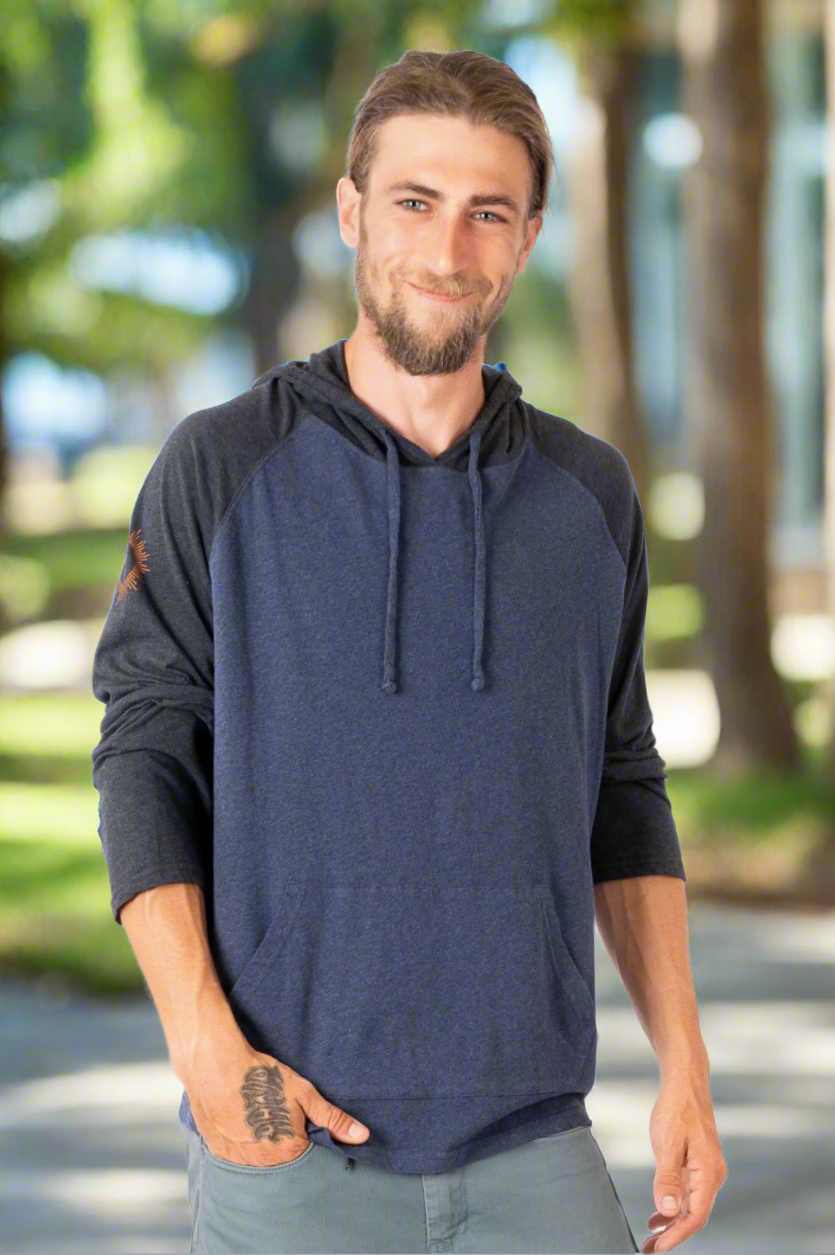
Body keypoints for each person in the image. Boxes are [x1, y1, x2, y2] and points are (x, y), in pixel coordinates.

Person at [91, 47, 727, 1255]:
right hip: (293, 1136)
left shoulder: (587, 495)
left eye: (489, 212)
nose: (447, 252)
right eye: (414, 204)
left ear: (531, 234)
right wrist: (205, 1050)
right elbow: (144, 753)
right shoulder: (220, 469)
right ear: (350, 212)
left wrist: (686, 1065)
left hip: (538, 1139)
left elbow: (622, 780)